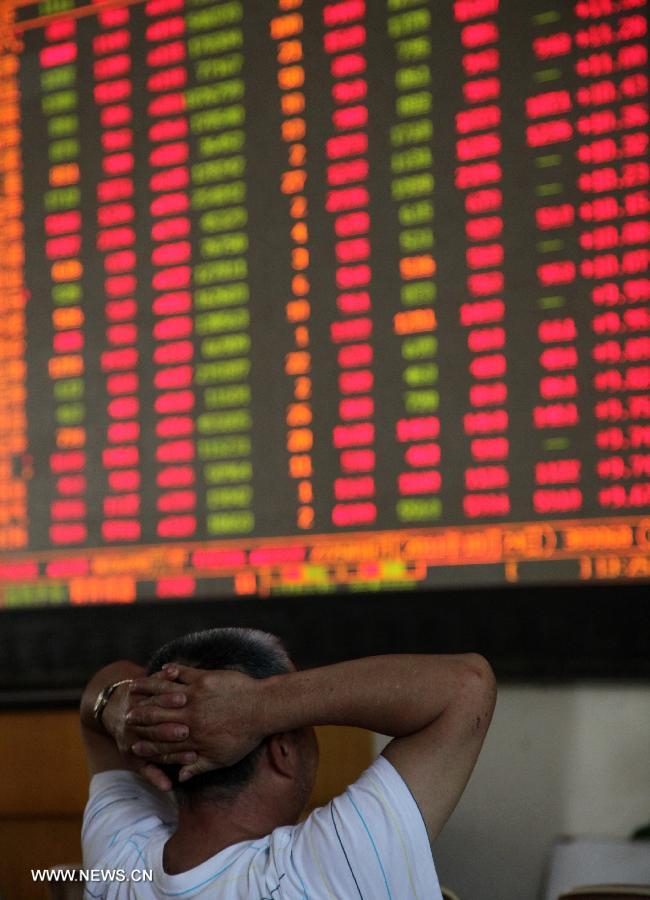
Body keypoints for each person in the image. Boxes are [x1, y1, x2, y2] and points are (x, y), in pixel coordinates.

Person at [80, 626, 496, 898]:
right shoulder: (327, 870)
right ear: (283, 750)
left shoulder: (118, 864)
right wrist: (261, 706)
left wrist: (118, 702)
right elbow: (467, 685)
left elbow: (97, 700)